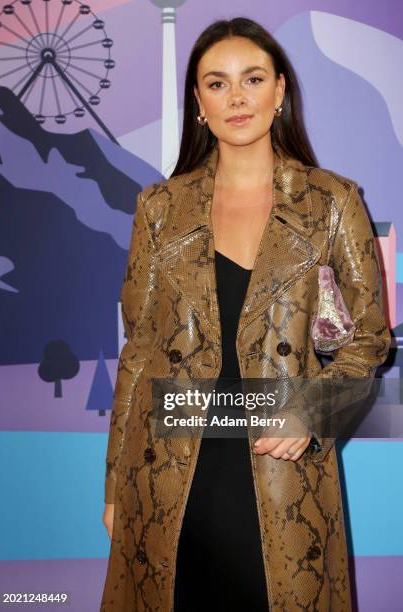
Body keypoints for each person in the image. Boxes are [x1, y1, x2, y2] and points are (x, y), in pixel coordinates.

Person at [100, 17, 391, 612]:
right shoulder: (158, 209)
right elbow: (140, 351)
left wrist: (310, 409)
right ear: (198, 103)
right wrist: (114, 485)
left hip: (281, 470)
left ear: (279, 92)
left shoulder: (332, 202)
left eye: (252, 79)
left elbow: (369, 340)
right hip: (171, 469)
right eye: (216, 83)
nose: (236, 97)